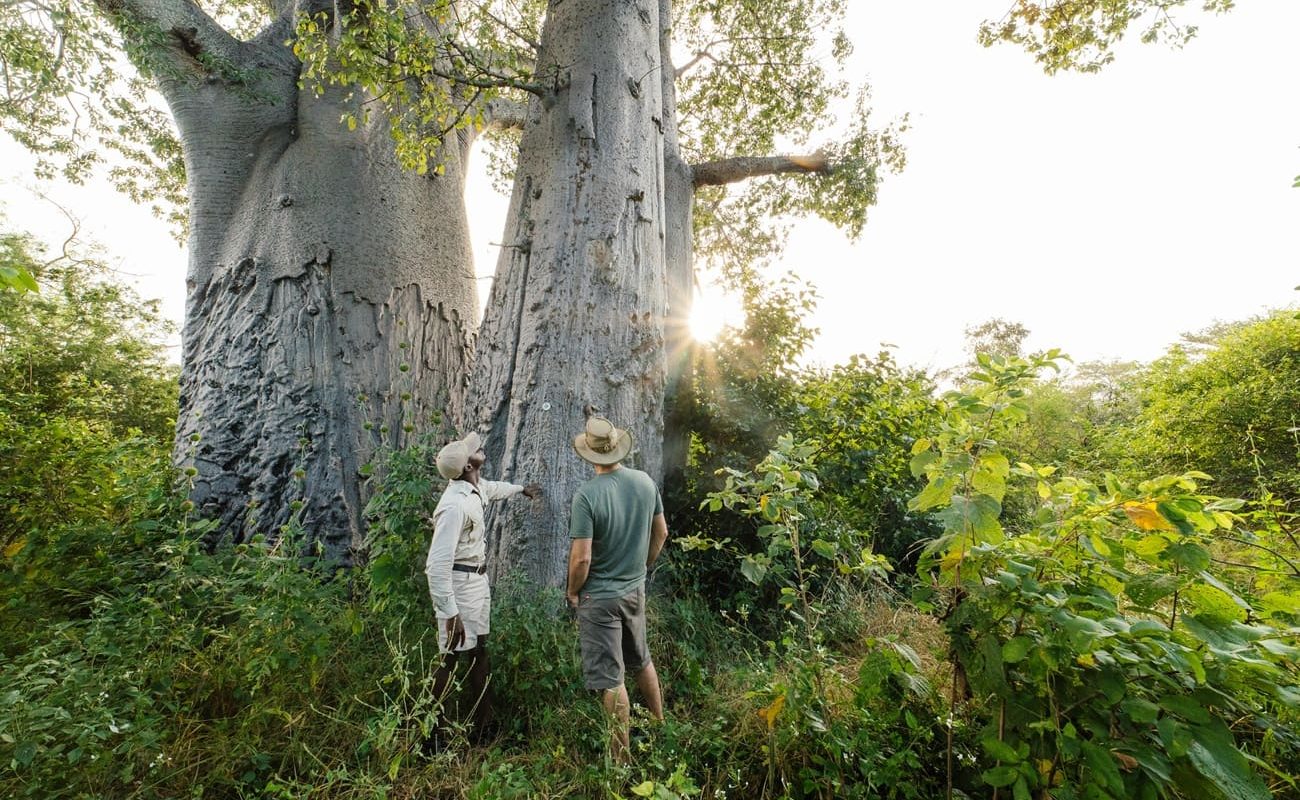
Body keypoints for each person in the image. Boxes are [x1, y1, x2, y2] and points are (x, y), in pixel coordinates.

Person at [565, 416, 669, 762]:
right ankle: (660, 725)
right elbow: (662, 533)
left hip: (600, 598)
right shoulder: (643, 482)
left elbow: (582, 559)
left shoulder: (587, 496)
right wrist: (642, 566)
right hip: (634, 590)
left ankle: (620, 760)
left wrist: (573, 591)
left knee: (611, 678)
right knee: (641, 660)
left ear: (590, 455)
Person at [426, 430, 539, 744]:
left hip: (476, 582)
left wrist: (520, 489)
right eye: (471, 452)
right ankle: (432, 734)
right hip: (459, 585)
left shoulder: (472, 487)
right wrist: (451, 612)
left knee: (480, 652)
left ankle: (485, 727)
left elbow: (493, 489)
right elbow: (436, 565)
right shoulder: (453, 507)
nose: (478, 450)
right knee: (448, 656)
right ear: (466, 467)